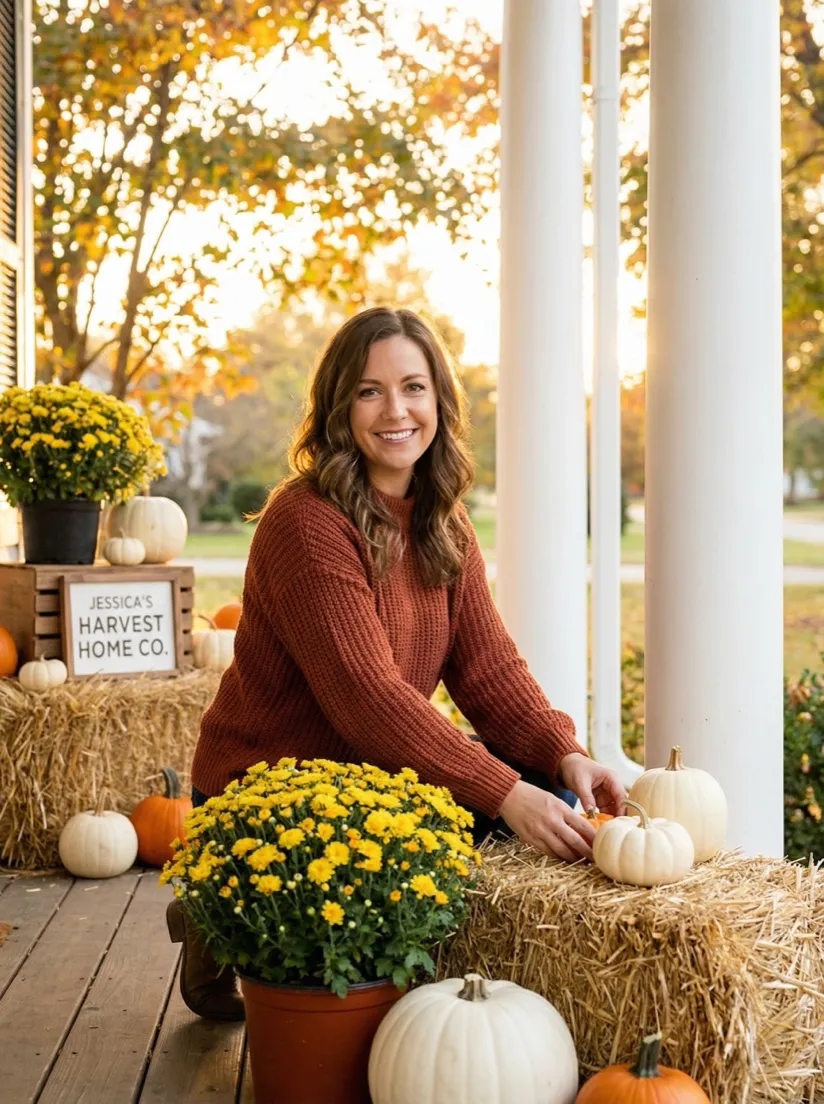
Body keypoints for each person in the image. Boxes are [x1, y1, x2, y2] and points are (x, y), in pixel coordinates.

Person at [167, 306, 626, 1020]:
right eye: (369, 391)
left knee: (553, 800)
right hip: (273, 789)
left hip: (375, 777)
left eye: (413, 387)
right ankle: (219, 907)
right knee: (510, 805)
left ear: (439, 400)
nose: (395, 410)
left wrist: (564, 757)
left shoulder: (442, 518)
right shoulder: (306, 521)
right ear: (338, 407)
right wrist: (504, 793)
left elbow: (490, 670)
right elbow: (369, 699)